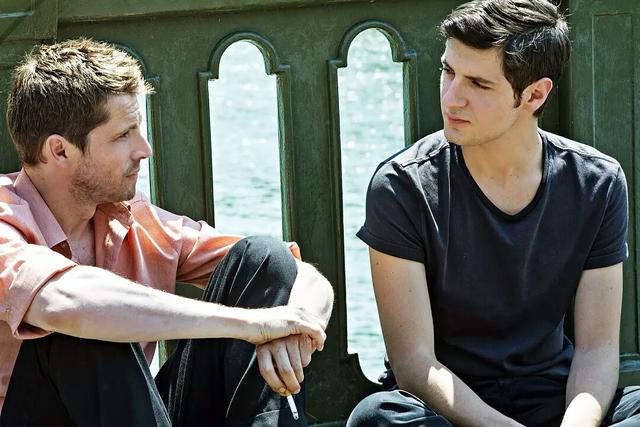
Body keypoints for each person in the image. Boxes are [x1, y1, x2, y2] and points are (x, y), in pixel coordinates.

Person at [0, 38, 334, 426]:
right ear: (59, 151)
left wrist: (297, 326)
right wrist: (252, 326)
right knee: (84, 324)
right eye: (123, 135)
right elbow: (63, 301)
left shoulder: (131, 219)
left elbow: (299, 275)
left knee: (262, 257)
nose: (145, 149)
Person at [347, 1, 640, 426]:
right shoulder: (402, 186)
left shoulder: (597, 182)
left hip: (553, 399)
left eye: (478, 84)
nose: (452, 97)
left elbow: (597, 350)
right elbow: (414, 364)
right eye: (448, 71)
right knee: (377, 417)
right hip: (449, 408)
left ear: (535, 94)